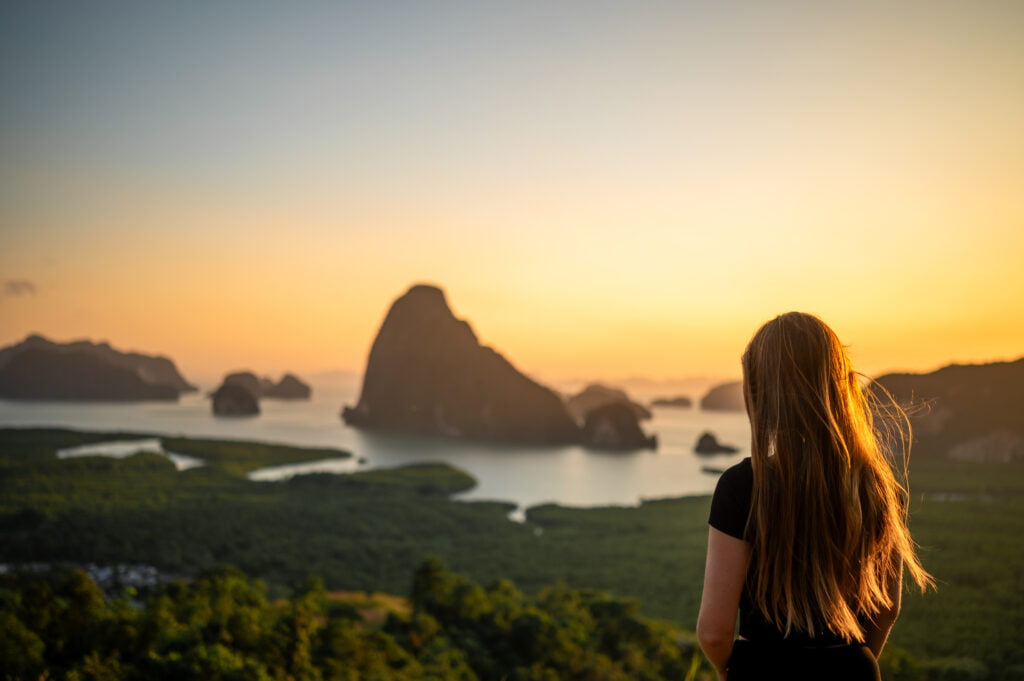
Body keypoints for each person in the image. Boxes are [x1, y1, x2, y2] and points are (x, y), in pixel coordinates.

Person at [696, 312, 933, 680]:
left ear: (759, 392)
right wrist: (852, 661)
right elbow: (885, 609)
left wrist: (729, 672)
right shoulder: (875, 485)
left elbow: (714, 632)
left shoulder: (742, 486)